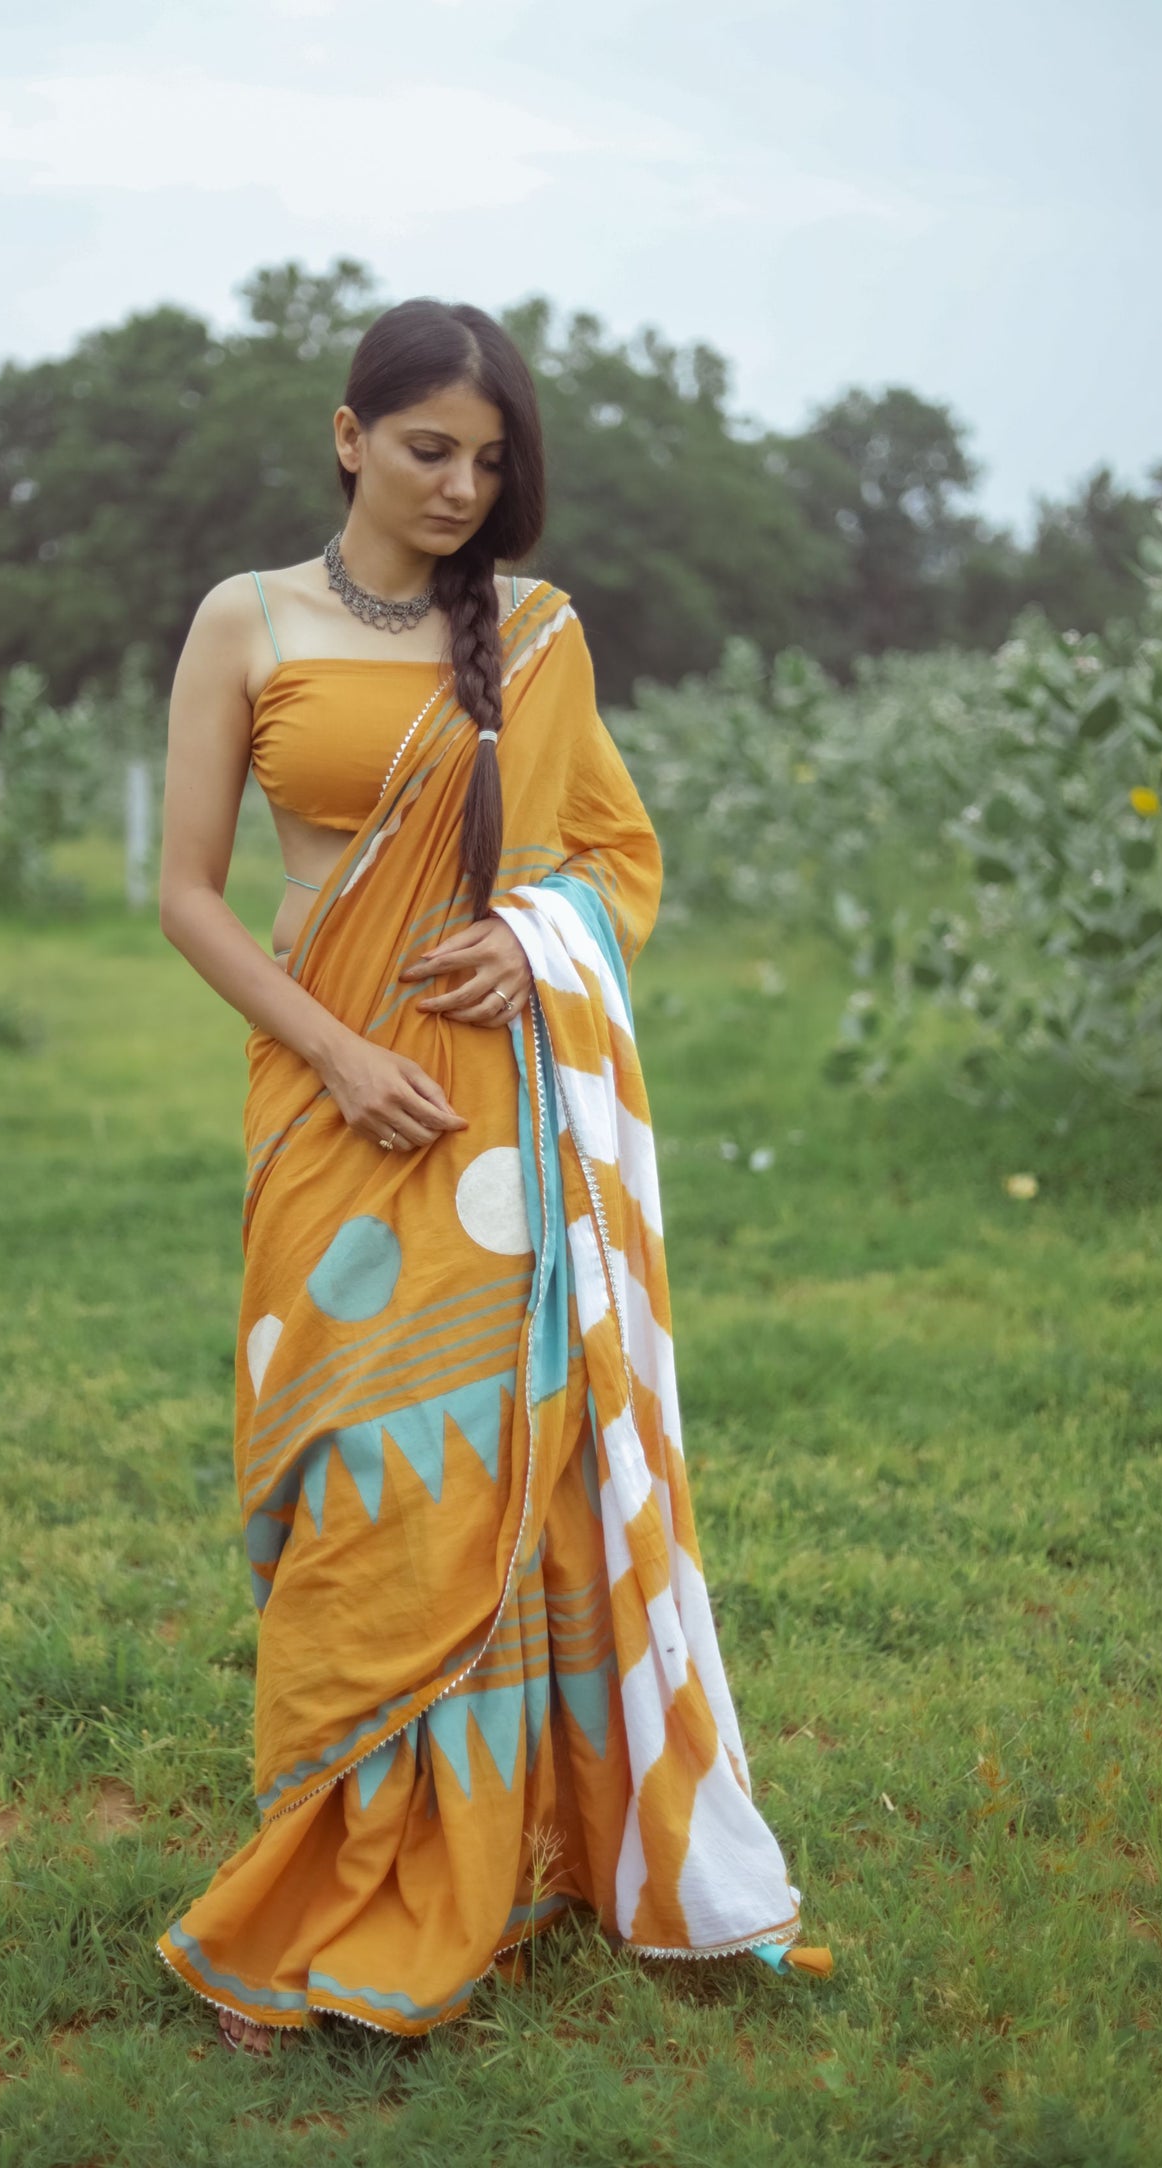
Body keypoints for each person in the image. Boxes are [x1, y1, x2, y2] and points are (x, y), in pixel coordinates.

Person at [152, 297, 831, 2057]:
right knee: (348, 1493)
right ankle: (326, 1860)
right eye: (432, 447)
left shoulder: (530, 634)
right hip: (326, 1104)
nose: (463, 484)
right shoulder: (246, 620)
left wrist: (535, 950)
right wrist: (332, 1049)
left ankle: (473, 1867)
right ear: (349, 434)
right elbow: (189, 895)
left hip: (481, 1117)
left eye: (491, 457)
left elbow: (611, 851)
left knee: (477, 1485)